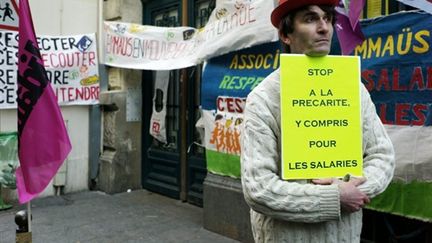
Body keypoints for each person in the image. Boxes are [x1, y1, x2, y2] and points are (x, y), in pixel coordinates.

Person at [240, 0, 395, 242]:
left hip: (345, 236)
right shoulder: (264, 98)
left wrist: (355, 191)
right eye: (310, 19)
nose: (324, 27)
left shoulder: (353, 89)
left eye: (327, 18)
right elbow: (259, 189)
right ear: (285, 34)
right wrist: (334, 198)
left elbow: (382, 156)